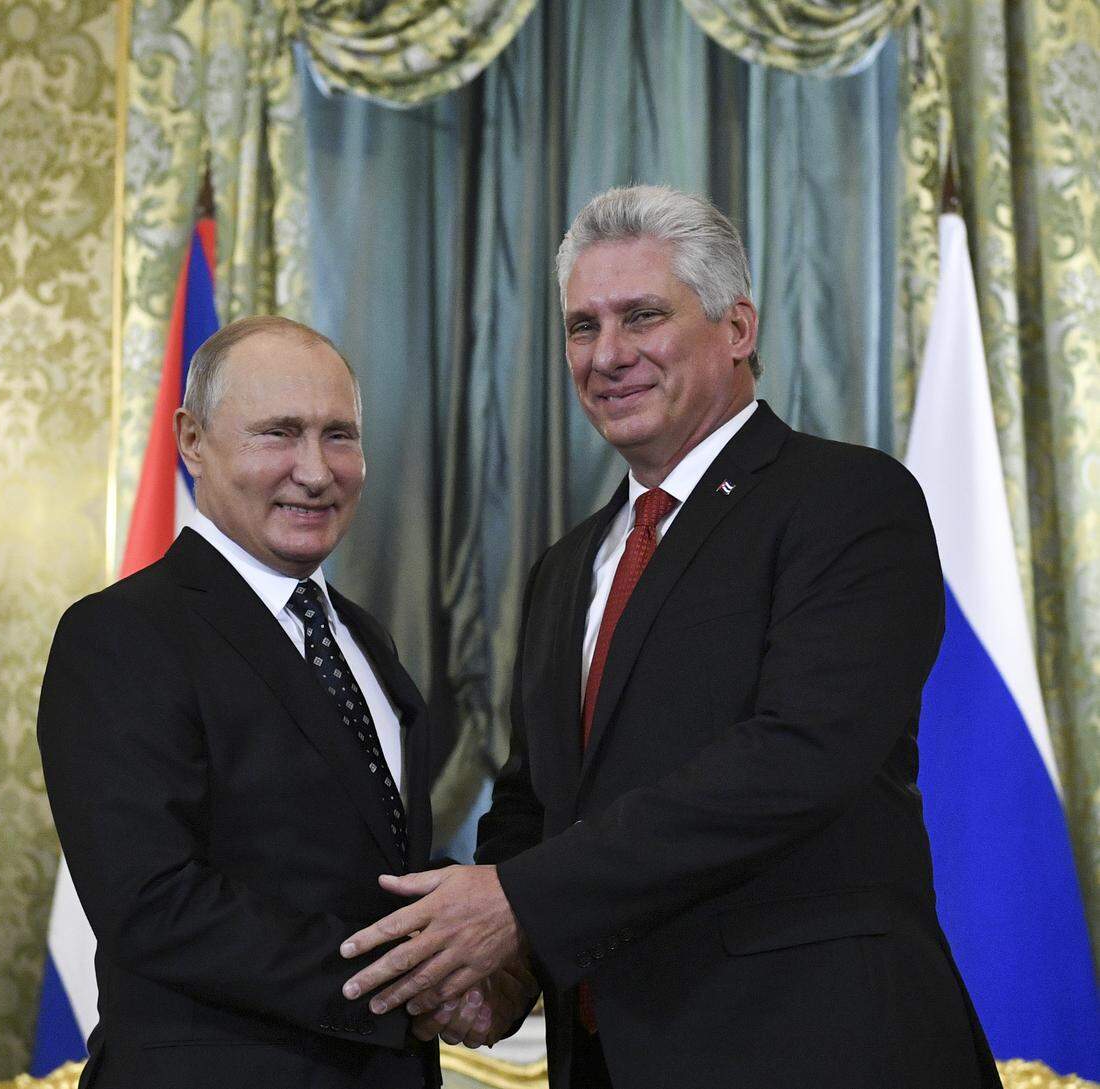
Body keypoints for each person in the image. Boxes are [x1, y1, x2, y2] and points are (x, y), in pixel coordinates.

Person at [335, 188, 1004, 1089]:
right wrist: (504, 967)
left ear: (737, 327)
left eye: (642, 316)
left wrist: (519, 904)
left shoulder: (848, 502)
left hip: (821, 1049)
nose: (607, 355)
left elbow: (796, 758)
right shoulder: (569, 565)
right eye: (581, 326)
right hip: (610, 1059)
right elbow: (536, 802)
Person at [37, 316, 522, 1088]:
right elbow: (156, 904)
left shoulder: (366, 641)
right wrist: (409, 987)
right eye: (278, 434)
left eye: (339, 435)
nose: (316, 470)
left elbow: (367, 864)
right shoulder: (122, 634)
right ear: (192, 440)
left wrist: (490, 943)